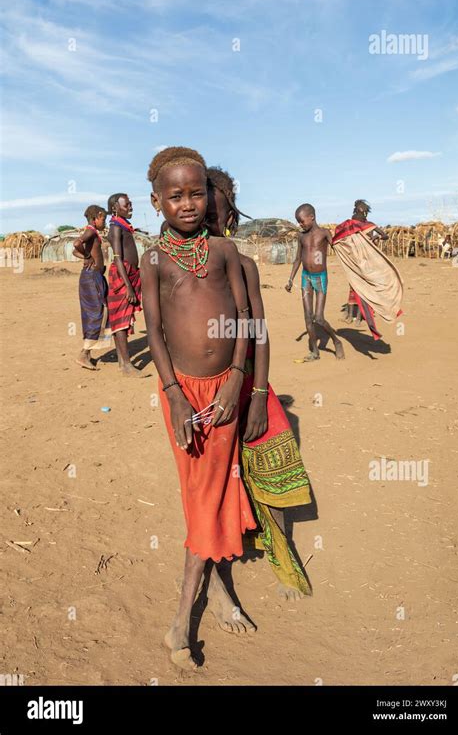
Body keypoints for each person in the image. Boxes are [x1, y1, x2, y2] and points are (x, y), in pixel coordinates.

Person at [141, 147, 257, 670]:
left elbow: (247, 317)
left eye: (196, 193)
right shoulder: (154, 259)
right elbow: (154, 332)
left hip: (224, 390)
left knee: (213, 491)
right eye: (175, 196)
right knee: (200, 495)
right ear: (156, 201)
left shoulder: (224, 250)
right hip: (184, 395)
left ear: (208, 196)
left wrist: (237, 379)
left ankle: (182, 622)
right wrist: (172, 395)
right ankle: (196, 611)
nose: (188, 204)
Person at [207, 166, 312, 602]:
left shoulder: (244, 265)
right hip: (203, 391)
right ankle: (214, 576)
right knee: (212, 484)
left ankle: (281, 551)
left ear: (231, 214)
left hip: (249, 382)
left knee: (271, 457)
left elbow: (259, 335)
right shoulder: (172, 266)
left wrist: (258, 395)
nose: (209, 220)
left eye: (218, 210)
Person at [333, 200, 402, 340]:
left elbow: (384, 236)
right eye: (364, 211)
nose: (365, 214)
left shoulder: (358, 225)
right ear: (359, 210)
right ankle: (355, 317)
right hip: (359, 263)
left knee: (360, 287)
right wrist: (374, 238)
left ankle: (356, 317)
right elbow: (385, 235)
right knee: (358, 287)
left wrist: (373, 238)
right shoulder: (356, 225)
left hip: (362, 263)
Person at [285, 203, 345, 360]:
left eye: (302, 221)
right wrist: (290, 279)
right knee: (307, 317)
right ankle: (315, 352)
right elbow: (298, 259)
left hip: (320, 278)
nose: (300, 224)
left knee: (318, 318)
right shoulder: (301, 236)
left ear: (312, 217)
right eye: (298, 222)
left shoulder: (324, 233)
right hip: (306, 278)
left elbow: (338, 248)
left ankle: (336, 341)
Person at [107, 193, 142, 375]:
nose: (130, 207)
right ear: (115, 208)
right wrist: (128, 286)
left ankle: (122, 361)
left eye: (130, 204)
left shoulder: (122, 226)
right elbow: (118, 258)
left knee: (124, 318)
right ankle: (127, 365)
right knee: (121, 319)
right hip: (123, 276)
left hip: (130, 274)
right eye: (126, 205)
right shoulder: (115, 228)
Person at [73, 205, 111, 369]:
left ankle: (87, 353)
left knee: (97, 312)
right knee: (96, 313)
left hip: (94, 276)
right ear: (98, 216)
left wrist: (86, 256)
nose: (105, 222)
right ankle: (84, 354)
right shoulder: (90, 231)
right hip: (91, 277)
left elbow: (75, 252)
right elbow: (76, 245)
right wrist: (88, 256)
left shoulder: (93, 233)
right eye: (104, 219)